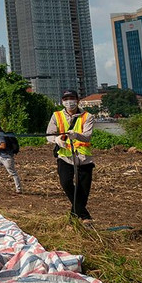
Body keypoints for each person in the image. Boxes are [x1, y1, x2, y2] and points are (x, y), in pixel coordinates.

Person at [47, 89, 94, 224]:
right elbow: (49, 135)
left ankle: (73, 219)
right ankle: (85, 216)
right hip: (65, 157)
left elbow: (87, 136)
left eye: (72, 98)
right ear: (62, 101)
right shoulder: (56, 116)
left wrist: (76, 135)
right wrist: (56, 140)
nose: (69, 102)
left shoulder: (88, 116)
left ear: (77, 100)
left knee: (83, 191)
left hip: (83, 158)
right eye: (66, 99)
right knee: (66, 183)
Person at [0, 115, 22, 193]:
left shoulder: (0, 134)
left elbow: (3, 146)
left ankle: (18, 189)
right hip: (0, 156)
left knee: (12, 173)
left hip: (7, 157)